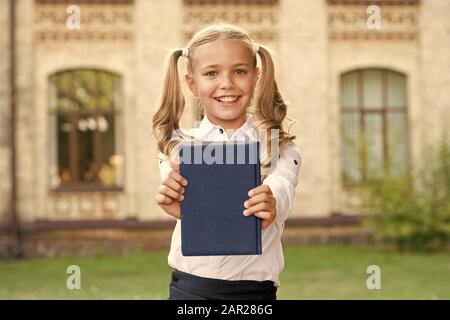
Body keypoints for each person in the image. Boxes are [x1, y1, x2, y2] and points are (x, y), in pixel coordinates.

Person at [152, 23, 302, 300]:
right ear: (192, 83)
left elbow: (283, 186)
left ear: (256, 77)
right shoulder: (178, 148)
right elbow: (181, 194)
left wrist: (272, 200)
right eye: (211, 73)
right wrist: (174, 198)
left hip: (255, 295)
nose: (227, 84)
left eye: (239, 71)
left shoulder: (279, 146)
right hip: (190, 291)